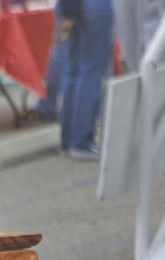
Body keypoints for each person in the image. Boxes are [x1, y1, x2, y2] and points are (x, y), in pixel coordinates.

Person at [58, 0, 115, 159]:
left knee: (74, 71)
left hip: (71, 5)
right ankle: (81, 141)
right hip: (93, 6)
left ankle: (69, 140)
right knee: (90, 72)